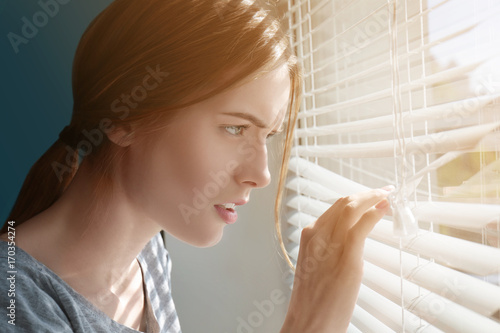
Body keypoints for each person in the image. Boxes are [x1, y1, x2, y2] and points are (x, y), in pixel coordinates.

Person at [0, 0, 391, 332]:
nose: (261, 174)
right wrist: (309, 323)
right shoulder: (17, 308)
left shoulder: (148, 254)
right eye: (235, 128)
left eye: (267, 135)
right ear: (124, 117)